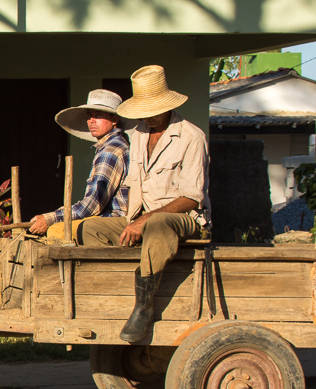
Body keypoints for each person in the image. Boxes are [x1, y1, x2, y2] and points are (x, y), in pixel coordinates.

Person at [78, 65, 210, 343]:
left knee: (159, 224)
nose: (148, 116)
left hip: (182, 219)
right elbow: (132, 188)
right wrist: (130, 219)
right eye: (143, 109)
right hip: (139, 218)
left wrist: (146, 219)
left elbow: (192, 197)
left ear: (166, 105)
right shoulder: (137, 135)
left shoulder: (191, 136)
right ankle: (116, 291)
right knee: (89, 229)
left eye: (153, 109)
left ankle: (144, 306)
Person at [27, 89, 129, 240]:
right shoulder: (109, 146)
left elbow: (93, 205)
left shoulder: (111, 150)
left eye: (98, 115)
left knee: (57, 231)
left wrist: (51, 218)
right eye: (89, 115)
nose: (91, 121)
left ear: (115, 119)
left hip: (113, 220)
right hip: (105, 219)